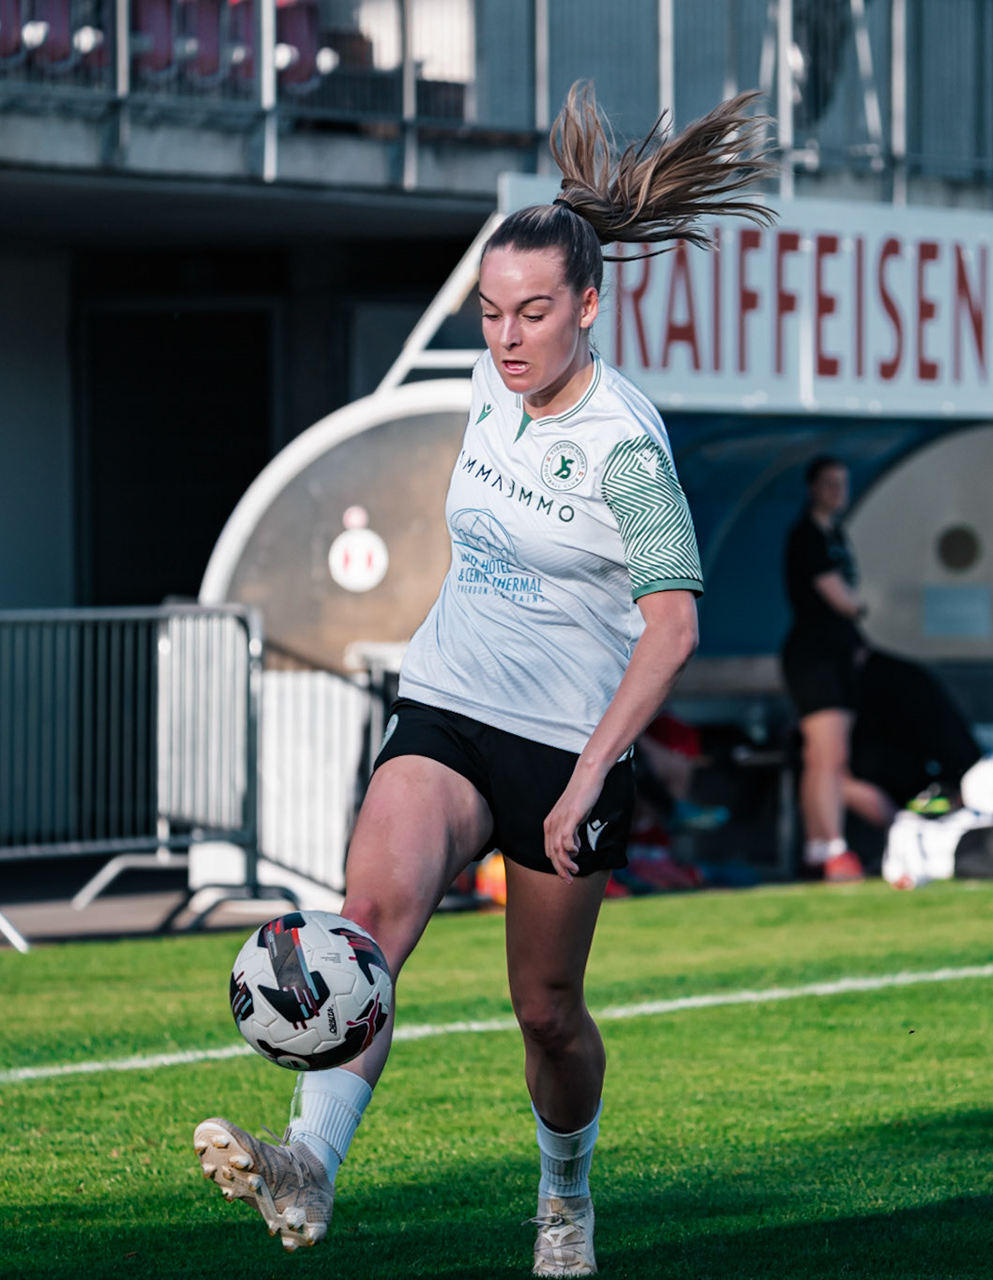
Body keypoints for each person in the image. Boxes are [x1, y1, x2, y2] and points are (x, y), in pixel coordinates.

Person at [192, 83, 775, 1277]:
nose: (507, 337)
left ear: (589, 308)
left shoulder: (628, 442)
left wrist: (585, 780)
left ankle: (566, 1194)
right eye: (491, 313)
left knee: (546, 1010)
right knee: (365, 931)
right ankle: (309, 1162)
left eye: (532, 314)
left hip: (572, 746)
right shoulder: (481, 390)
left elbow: (671, 628)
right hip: (449, 707)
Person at [780, 456, 896, 882]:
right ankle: (831, 847)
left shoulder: (836, 535)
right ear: (813, 488)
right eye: (829, 484)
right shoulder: (807, 537)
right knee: (828, 757)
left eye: (842, 485)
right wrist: (869, 607)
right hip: (815, 659)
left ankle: (818, 846)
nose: (837, 493)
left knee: (823, 760)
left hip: (836, 655)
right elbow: (844, 600)